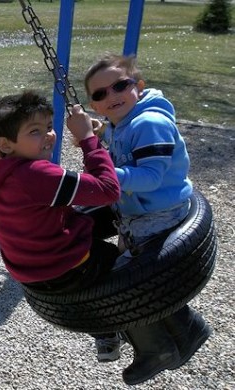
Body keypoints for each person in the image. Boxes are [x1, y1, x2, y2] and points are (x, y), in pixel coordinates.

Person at [0, 90, 122, 363]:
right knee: (131, 267)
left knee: (90, 215)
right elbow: (108, 190)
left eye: (49, 127)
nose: (49, 135)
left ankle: (105, 334)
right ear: (6, 144)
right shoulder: (36, 175)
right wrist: (88, 139)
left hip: (34, 274)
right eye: (35, 131)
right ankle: (159, 341)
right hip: (68, 270)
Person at [84, 53, 212, 385]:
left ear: (138, 87)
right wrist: (98, 143)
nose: (111, 96)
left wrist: (107, 175)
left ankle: (157, 350)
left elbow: (152, 176)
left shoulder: (148, 123)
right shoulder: (118, 125)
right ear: (95, 105)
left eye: (120, 86)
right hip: (137, 210)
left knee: (126, 282)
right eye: (100, 94)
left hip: (159, 211)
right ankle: (188, 329)